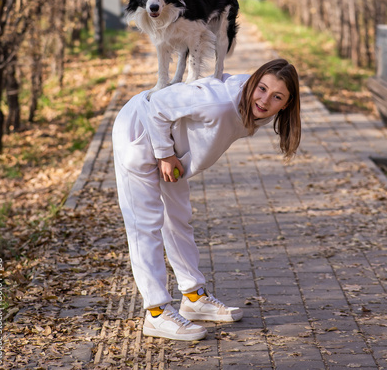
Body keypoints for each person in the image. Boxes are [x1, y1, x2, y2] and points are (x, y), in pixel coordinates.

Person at [112, 58, 301, 341]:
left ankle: (193, 297)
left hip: (170, 145)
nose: (264, 100)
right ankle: (156, 312)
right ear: (254, 82)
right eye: (261, 89)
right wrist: (164, 153)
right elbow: (156, 105)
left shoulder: (254, 107)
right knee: (146, 223)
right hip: (139, 131)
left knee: (178, 218)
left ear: (286, 104)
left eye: (277, 97)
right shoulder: (219, 102)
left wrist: (170, 153)